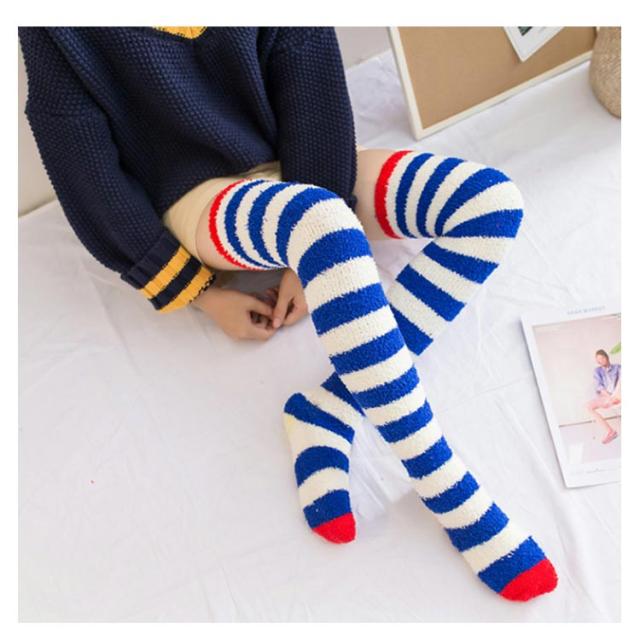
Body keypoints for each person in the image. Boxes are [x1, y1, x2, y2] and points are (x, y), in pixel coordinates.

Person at [19, 26, 558, 601]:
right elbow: (85, 169)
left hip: (298, 169)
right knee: (320, 220)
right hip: (199, 196)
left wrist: (309, 252)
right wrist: (201, 292)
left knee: (491, 202)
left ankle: (329, 408)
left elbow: (311, 80)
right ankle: (442, 482)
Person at [586, 349, 621, 444]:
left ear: (607, 357)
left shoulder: (618, 367)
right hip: (605, 397)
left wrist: (615, 395)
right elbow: (599, 386)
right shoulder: (597, 371)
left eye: (601, 358)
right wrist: (609, 397)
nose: (600, 361)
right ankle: (610, 431)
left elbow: (620, 383)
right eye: (598, 360)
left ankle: (611, 432)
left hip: (618, 395)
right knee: (588, 406)